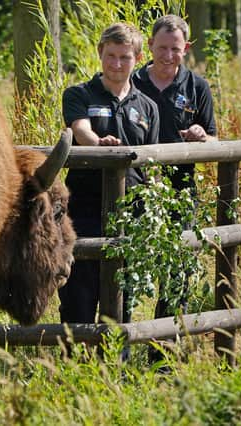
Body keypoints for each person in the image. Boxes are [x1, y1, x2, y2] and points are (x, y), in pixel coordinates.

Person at [58, 23, 159, 334]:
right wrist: (99, 146)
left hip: (131, 214)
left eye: (124, 57)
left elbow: (151, 161)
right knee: (79, 296)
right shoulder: (79, 94)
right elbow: (80, 129)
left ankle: (119, 367)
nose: (116, 64)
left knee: (122, 297)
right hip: (84, 210)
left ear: (138, 58)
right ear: (100, 53)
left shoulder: (148, 107)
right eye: (110, 56)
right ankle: (77, 367)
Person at [132, 14, 217, 363]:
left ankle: (161, 353)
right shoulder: (132, 81)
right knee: (124, 264)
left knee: (178, 271)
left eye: (176, 49)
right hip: (135, 189)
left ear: (187, 49)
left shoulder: (197, 87)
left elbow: (215, 139)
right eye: (162, 48)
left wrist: (203, 137)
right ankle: (114, 348)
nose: (168, 56)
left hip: (181, 192)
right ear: (149, 46)